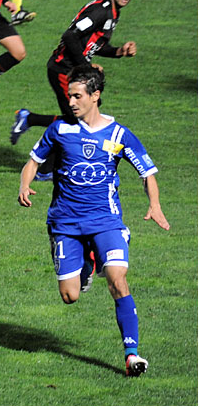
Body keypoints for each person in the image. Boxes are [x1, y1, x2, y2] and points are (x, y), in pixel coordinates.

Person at [18, 65, 170, 377]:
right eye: (68, 95)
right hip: (65, 224)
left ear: (95, 96)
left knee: (117, 278)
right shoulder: (60, 130)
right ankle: (88, 261)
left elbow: (147, 173)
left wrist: (154, 204)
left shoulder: (118, 135)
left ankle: (131, 355)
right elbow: (32, 161)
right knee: (70, 295)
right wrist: (24, 184)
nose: (71, 101)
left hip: (106, 221)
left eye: (77, 96)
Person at [10, 0, 140, 161]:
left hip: (76, 73)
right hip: (63, 70)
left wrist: (119, 51)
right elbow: (70, 36)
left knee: (84, 117)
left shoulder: (113, 12)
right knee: (77, 120)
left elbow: (95, 46)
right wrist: (87, 67)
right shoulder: (100, 10)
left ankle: (30, 121)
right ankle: (44, 166)